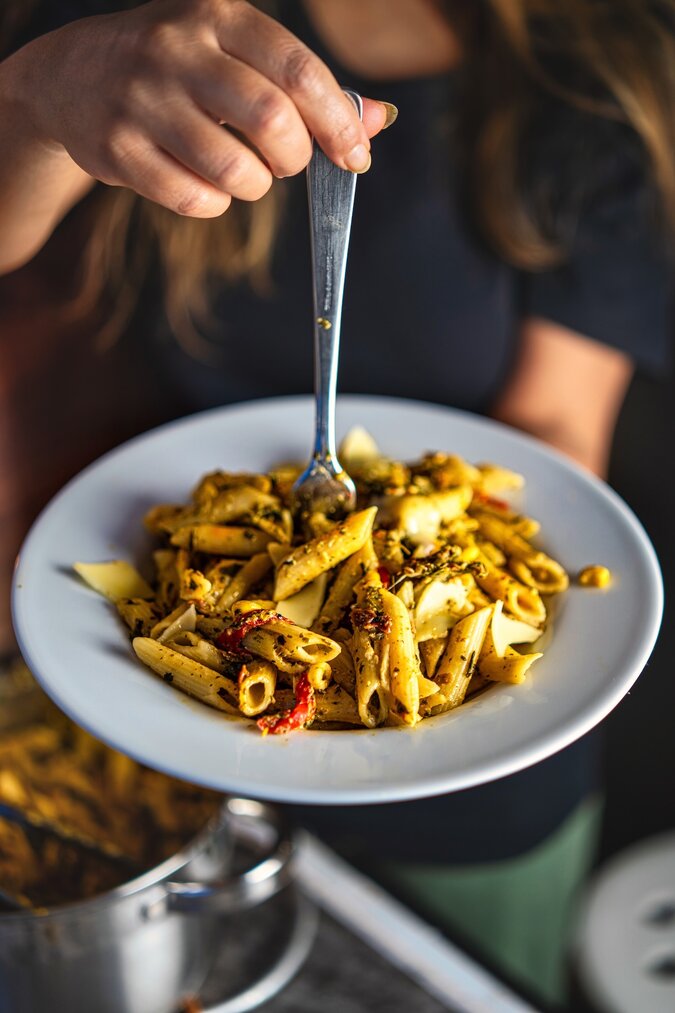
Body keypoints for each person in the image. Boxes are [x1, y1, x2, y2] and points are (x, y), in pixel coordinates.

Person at [0, 1, 673, 1005]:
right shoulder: (157, 34)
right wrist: (29, 97)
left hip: (480, 791)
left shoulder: (595, 76)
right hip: (171, 777)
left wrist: (418, 543)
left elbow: (555, 436)